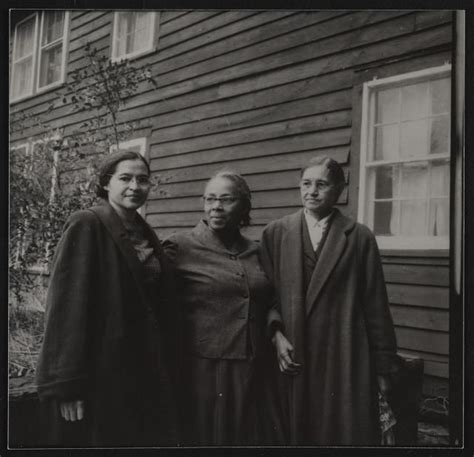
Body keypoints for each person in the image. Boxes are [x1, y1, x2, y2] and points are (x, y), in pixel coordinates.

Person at [36, 150, 181, 447]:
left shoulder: (144, 231)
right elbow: (66, 308)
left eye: (143, 180)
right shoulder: (87, 223)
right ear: (105, 184)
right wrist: (67, 385)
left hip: (139, 371)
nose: (135, 186)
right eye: (125, 178)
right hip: (99, 373)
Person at [260, 156, 399, 445]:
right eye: (306, 184)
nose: (312, 191)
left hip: (343, 353)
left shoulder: (358, 237)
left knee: (338, 430)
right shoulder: (275, 233)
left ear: (338, 191)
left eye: (321, 184)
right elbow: (265, 294)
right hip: (294, 350)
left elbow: (376, 305)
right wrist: (275, 334)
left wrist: (384, 368)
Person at [162, 170, 281, 446]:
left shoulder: (257, 250)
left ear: (243, 206)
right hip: (205, 369)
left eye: (226, 199)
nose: (216, 206)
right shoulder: (179, 247)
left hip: (254, 365)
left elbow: (272, 298)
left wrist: (276, 330)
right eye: (210, 199)